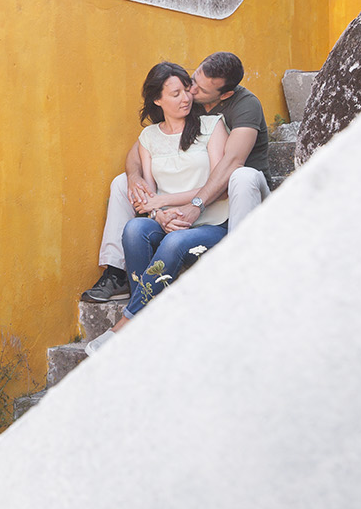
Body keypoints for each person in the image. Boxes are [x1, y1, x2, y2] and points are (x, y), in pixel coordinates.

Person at [81, 51, 270, 303]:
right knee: (121, 183)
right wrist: (137, 180)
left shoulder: (243, 106)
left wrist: (190, 206)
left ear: (224, 95)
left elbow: (230, 164)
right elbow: (140, 151)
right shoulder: (180, 107)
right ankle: (117, 272)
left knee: (241, 177)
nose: (190, 92)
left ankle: (239, 267)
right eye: (191, 81)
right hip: (189, 193)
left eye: (198, 89)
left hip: (244, 191)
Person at [82, 63, 230, 357]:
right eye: (175, 94)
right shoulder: (148, 138)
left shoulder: (213, 127)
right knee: (135, 228)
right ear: (157, 101)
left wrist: (164, 204)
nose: (185, 98)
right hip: (169, 221)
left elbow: (220, 185)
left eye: (186, 90)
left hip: (212, 221)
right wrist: (157, 214)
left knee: (174, 242)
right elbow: (149, 192)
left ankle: (125, 325)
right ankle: (147, 318)